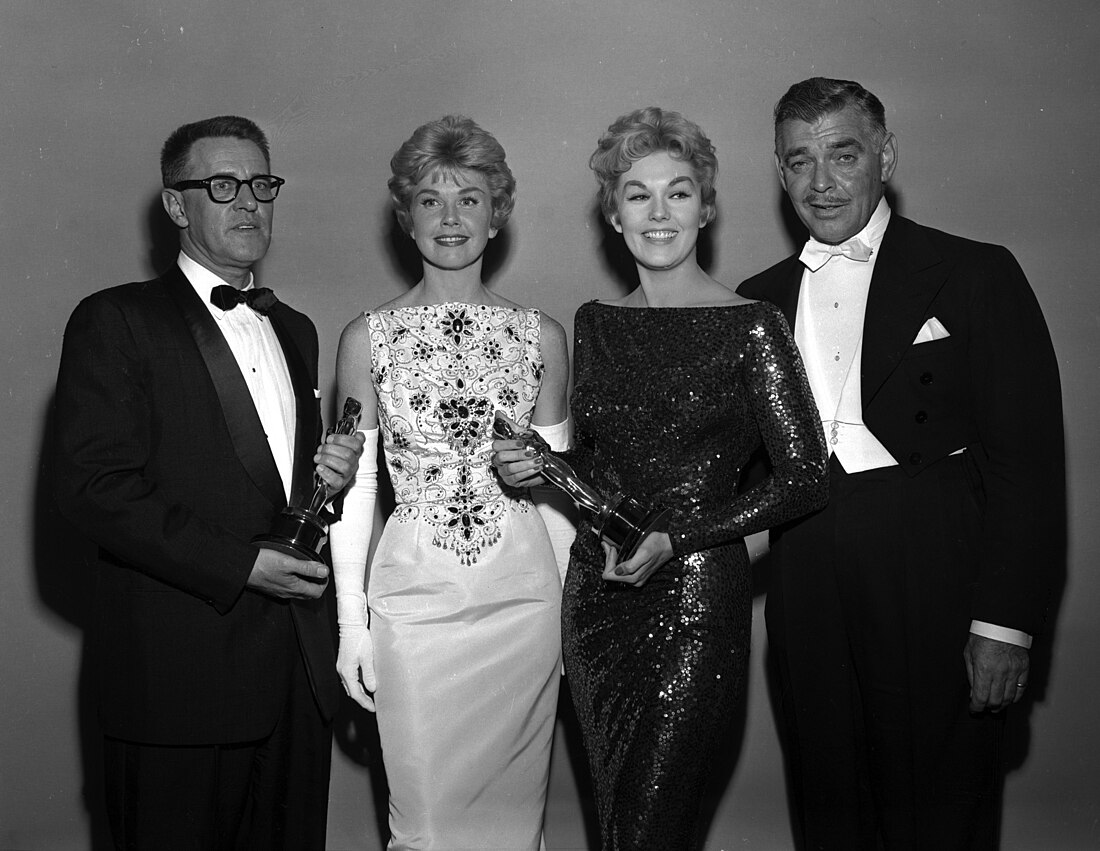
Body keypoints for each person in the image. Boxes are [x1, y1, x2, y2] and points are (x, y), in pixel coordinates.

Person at [738, 77, 1065, 850]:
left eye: (843, 155)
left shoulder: (977, 273)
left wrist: (1006, 625)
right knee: (828, 805)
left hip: (936, 572)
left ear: (886, 156)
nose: (821, 182)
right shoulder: (755, 301)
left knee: (940, 814)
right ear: (780, 173)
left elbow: (1028, 463)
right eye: (799, 161)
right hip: (804, 580)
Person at [495, 107, 829, 850]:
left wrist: (679, 538)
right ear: (614, 215)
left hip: (694, 602)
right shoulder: (595, 322)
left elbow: (807, 476)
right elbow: (604, 466)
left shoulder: (752, 324)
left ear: (705, 209)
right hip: (598, 599)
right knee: (618, 823)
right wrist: (542, 467)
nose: (658, 212)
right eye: (637, 194)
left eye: (678, 192)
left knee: (652, 825)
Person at [52, 115, 364, 850]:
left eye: (261, 183)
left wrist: (331, 481)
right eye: (222, 185)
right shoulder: (115, 319)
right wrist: (242, 563)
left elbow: (278, 488)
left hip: (294, 678)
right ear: (174, 205)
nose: (248, 201)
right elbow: (92, 487)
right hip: (175, 687)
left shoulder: (296, 328)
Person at [327, 115, 571, 850]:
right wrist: (349, 624)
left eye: (469, 198)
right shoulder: (364, 338)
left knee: (511, 830)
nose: (451, 218)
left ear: (497, 215)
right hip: (413, 606)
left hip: (525, 610)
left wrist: (571, 615)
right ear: (407, 219)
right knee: (426, 828)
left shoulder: (543, 336)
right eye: (430, 201)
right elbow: (356, 491)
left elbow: (558, 496)